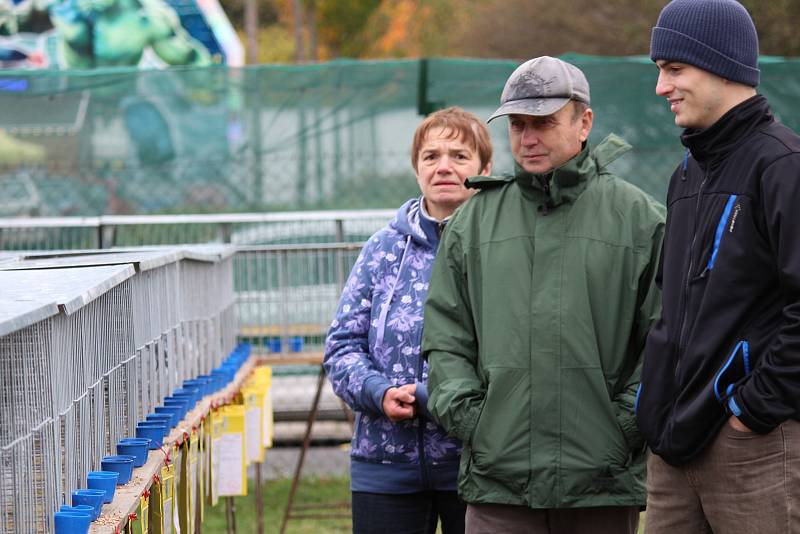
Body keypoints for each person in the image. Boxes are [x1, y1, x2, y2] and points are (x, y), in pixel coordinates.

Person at [422, 56, 665, 534]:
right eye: (517, 125)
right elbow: (446, 335)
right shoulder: (474, 222)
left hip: (601, 483)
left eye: (543, 123)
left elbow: (665, 338)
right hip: (500, 482)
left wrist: (623, 427)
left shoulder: (640, 219)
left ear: (584, 122)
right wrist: (477, 423)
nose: (527, 139)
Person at [636, 1, 800, 532]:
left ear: (722, 64)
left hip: (754, 449)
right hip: (672, 449)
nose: (662, 88)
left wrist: (751, 411)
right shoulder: (685, 175)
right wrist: (655, 404)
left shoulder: (782, 166)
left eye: (674, 69)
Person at [324, 106, 493, 534]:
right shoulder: (381, 249)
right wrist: (377, 392)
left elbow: (513, 352)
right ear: (417, 169)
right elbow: (342, 345)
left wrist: (428, 395)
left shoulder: (500, 246)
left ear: (485, 168)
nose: (444, 167)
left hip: (477, 464)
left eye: (459, 155)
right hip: (383, 465)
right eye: (431, 156)